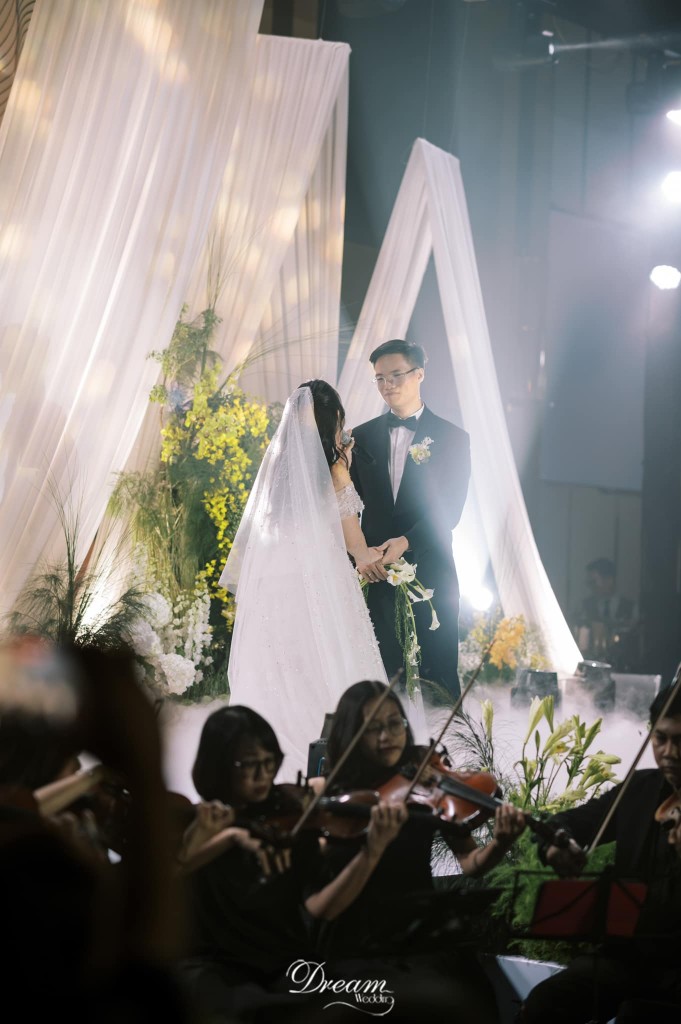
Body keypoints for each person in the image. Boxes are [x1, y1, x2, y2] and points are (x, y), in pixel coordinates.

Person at [219, 379, 425, 773]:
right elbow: (355, 546)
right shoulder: (336, 472)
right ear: (332, 423)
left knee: (278, 666)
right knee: (328, 661)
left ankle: (268, 747)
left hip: (275, 584)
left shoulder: (276, 468)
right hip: (322, 583)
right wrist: (387, 553)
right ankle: (333, 753)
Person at [311, 680, 526, 1023]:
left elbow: (470, 863)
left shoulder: (427, 787)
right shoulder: (331, 795)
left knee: (473, 1002)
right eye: (373, 728)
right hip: (357, 940)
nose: (387, 736)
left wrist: (501, 843)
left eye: (394, 723)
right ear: (351, 734)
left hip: (420, 933)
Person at [179, 704, 408, 1022]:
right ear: (218, 765)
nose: (264, 775)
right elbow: (159, 880)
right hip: (216, 969)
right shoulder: (196, 824)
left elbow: (320, 908)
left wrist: (371, 852)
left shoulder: (292, 819)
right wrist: (225, 837)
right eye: (249, 764)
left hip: (287, 965)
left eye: (270, 762)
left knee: (378, 997)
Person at [520, 683, 681, 1023]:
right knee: (545, 1002)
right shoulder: (640, 789)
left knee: (635, 1016)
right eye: (661, 738)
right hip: (628, 957)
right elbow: (570, 821)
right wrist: (558, 843)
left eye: (680, 741)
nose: (670, 753)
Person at [350, 340, 470, 701]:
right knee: (380, 675)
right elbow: (347, 504)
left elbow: (450, 508)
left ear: (419, 374)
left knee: (437, 674)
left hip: (431, 569)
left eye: (396, 375)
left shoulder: (453, 438)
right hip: (375, 572)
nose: (387, 385)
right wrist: (362, 553)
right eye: (379, 378)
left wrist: (406, 542)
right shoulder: (361, 437)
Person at [574, 557, 639, 670]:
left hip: (624, 667)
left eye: (593, 582)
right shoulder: (584, 606)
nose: (590, 587)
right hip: (593, 667)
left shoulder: (630, 607)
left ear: (609, 580)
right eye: (588, 583)